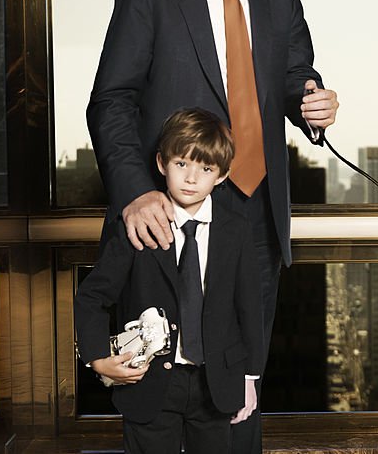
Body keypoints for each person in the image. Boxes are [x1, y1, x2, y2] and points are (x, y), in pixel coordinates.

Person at [86, 0, 339, 453]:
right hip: (167, 213)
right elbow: (111, 101)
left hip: (253, 215)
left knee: (240, 380)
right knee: (158, 382)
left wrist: (310, 99)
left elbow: (291, 74)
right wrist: (136, 193)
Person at [75, 108, 263, 453]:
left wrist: (249, 378)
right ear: (162, 163)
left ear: (221, 175)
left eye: (205, 168)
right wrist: (97, 358)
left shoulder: (236, 231)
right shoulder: (138, 226)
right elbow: (92, 297)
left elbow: (249, 309)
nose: (191, 178)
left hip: (215, 384)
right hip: (150, 383)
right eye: (181, 165)